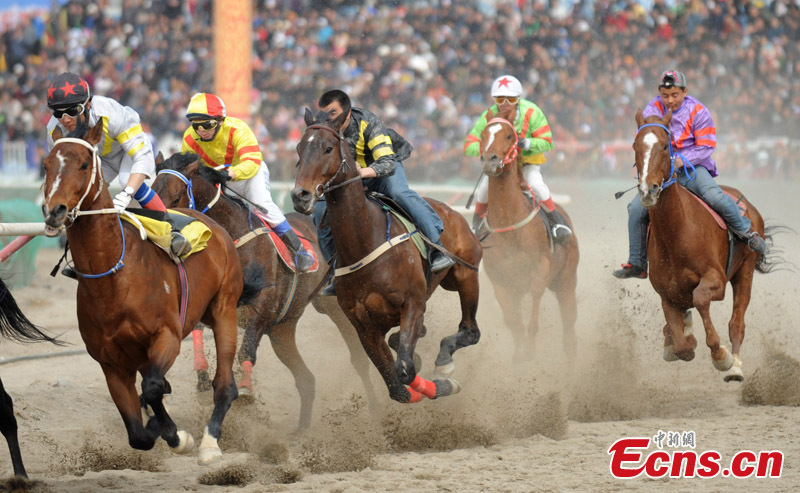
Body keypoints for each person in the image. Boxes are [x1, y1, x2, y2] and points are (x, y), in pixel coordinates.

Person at [613, 70, 767, 279]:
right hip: (663, 173)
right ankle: (638, 262)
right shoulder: (653, 108)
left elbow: (706, 145)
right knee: (635, 208)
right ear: (660, 93)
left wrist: (680, 161)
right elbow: (646, 140)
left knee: (713, 196)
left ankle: (747, 233)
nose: (670, 100)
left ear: (685, 91)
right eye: (665, 95)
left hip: (692, 169)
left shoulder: (699, 111)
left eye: (675, 95)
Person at [45, 72, 191, 276]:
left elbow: (142, 157)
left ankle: (172, 229)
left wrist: (127, 192)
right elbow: (62, 171)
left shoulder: (110, 114)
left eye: (72, 110)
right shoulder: (54, 129)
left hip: (126, 151)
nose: (65, 119)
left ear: (87, 104)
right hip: (98, 159)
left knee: (126, 180)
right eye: (58, 113)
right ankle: (82, 256)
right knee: (80, 191)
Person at [312, 89, 455, 296]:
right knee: (320, 211)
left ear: (348, 112)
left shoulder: (368, 123)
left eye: (333, 113)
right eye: (325, 113)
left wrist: (364, 173)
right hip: (351, 179)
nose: (328, 118)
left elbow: (388, 163)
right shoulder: (323, 130)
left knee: (398, 193)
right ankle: (337, 271)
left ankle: (437, 250)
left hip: (382, 169)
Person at [181, 92, 314, 272]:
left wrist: (230, 174)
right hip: (221, 180)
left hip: (250, 175)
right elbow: (188, 169)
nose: (202, 130)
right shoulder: (189, 138)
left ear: (220, 121)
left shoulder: (238, 129)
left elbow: (251, 162)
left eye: (207, 124)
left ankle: (298, 250)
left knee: (260, 204)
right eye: (196, 125)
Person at [464, 74, 572, 243]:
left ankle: (557, 223)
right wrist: (487, 150)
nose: (505, 104)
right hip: (501, 166)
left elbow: (548, 142)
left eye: (510, 99)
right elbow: (469, 144)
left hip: (527, 164)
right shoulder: (489, 115)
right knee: (484, 188)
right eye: (500, 99)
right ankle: (476, 225)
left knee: (536, 185)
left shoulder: (532, 112)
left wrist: (526, 143)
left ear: (518, 99)